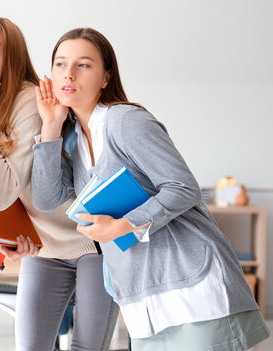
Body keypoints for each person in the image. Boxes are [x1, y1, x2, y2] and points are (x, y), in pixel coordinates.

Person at [30, 27, 270, 350]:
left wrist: (122, 225)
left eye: (83, 64)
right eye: (60, 64)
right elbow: (47, 199)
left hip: (189, 284)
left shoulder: (124, 121)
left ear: (105, 78)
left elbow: (183, 187)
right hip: (141, 297)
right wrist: (50, 126)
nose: (68, 73)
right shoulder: (71, 139)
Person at [0, 16, 118, 351]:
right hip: (42, 248)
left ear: (11, 59)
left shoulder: (28, 100)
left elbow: (1, 190)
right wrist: (4, 238)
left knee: (87, 347)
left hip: (91, 241)